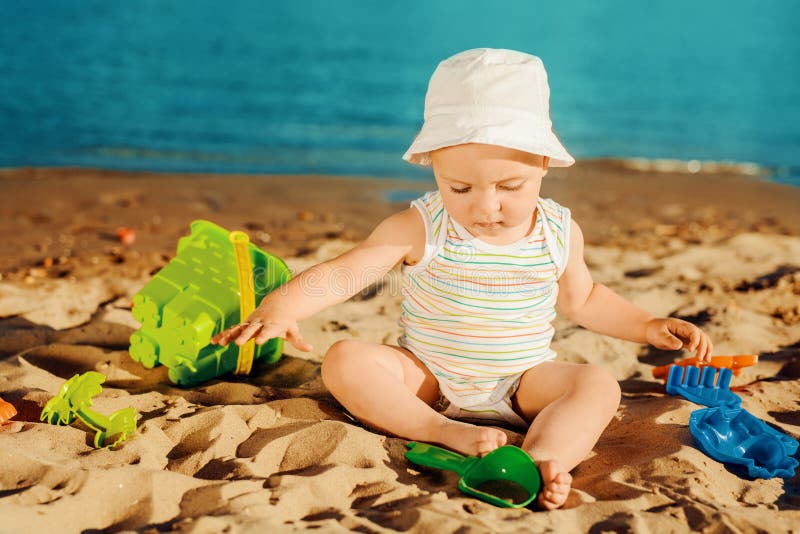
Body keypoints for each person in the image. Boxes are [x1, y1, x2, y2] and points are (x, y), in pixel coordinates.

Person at [211, 48, 713, 509]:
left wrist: (647, 326)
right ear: (433, 168)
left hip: (522, 383)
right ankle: (441, 432)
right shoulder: (422, 226)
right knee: (344, 359)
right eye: (460, 186)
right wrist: (282, 308)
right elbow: (346, 273)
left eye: (509, 186)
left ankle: (541, 460)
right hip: (428, 379)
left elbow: (585, 300)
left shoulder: (559, 231)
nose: (486, 205)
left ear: (543, 164)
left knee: (597, 384)